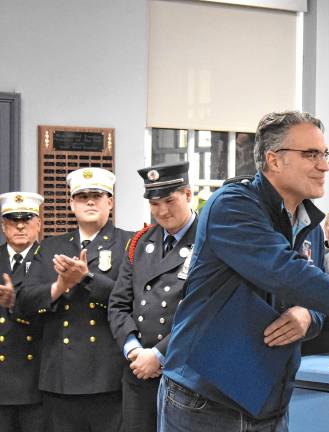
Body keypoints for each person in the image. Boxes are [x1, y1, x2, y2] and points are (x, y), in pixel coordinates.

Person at [157, 111, 329, 432]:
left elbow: (315, 291)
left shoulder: (309, 226)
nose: (324, 165)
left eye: (325, 155)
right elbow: (284, 271)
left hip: (270, 399)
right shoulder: (232, 205)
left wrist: (309, 316)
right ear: (274, 159)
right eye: (311, 154)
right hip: (207, 400)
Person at [15, 168, 133, 432]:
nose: (90, 202)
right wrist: (59, 286)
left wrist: (87, 278)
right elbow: (24, 301)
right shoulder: (49, 247)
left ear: (110, 202)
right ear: (71, 204)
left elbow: (132, 301)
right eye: (82, 197)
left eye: (97, 196)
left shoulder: (129, 243)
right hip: (60, 377)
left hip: (107, 377)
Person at [107, 161, 197, 432]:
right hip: (139, 373)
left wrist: (158, 355)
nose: (162, 211)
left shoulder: (209, 239)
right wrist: (134, 350)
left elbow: (203, 312)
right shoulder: (141, 241)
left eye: (169, 200)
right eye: (155, 204)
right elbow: (119, 304)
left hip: (184, 373)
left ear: (188, 195)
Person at [0, 192, 45, 432]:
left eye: (27, 219)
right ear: (3, 225)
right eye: (12, 219)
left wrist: (13, 303)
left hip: (35, 380)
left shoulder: (51, 259)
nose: (19, 225)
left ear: (38, 223)